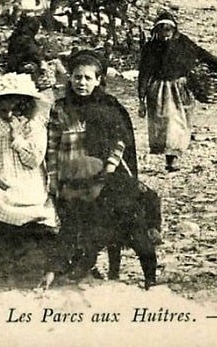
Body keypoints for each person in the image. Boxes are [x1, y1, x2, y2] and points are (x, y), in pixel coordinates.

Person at [44, 50, 139, 282]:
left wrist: (109, 169)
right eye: (77, 77)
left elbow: (121, 140)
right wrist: (54, 177)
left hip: (104, 173)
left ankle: (106, 266)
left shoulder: (109, 106)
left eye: (88, 78)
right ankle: (80, 264)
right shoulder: (61, 107)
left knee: (104, 218)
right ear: (70, 78)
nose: (81, 83)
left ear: (98, 80)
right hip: (71, 171)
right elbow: (52, 144)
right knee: (72, 219)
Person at [139, 10, 217, 172]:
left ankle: (173, 156)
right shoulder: (150, 48)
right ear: (156, 31)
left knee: (180, 123)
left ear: (174, 31)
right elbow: (144, 73)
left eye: (168, 30)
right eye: (161, 30)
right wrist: (141, 98)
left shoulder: (183, 43)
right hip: (160, 90)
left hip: (181, 88)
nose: (165, 34)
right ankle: (171, 160)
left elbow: (200, 53)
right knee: (168, 123)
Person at [0, 73, 58, 230]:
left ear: (25, 105)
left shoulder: (33, 125)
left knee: (27, 206)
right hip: (0, 177)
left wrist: (16, 138)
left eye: (15, 109)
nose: (9, 115)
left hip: (27, 180)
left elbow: (34, 160)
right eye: (3, 110)